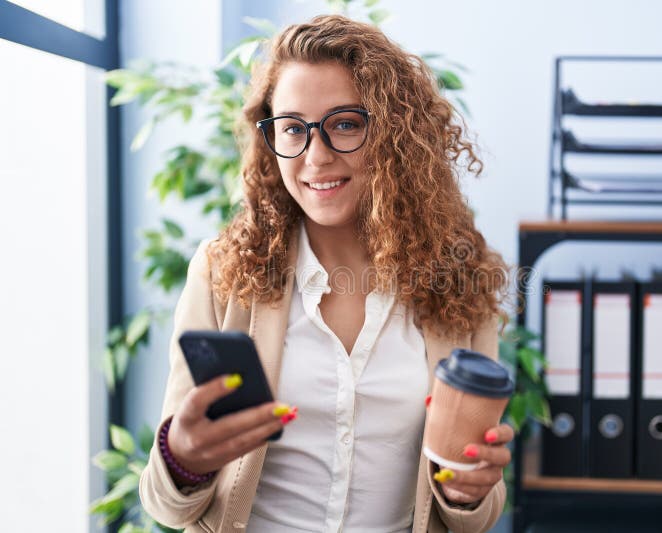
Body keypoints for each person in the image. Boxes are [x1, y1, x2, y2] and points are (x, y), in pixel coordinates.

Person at [139, 14, 512, 533]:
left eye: (345, 124)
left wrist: (466, 489)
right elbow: (165, 505)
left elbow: (474, 513)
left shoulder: (460, 278)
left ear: (394, 134)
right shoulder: (222, 271)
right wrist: (182, 458)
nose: (316, 157)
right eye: (293, 128)